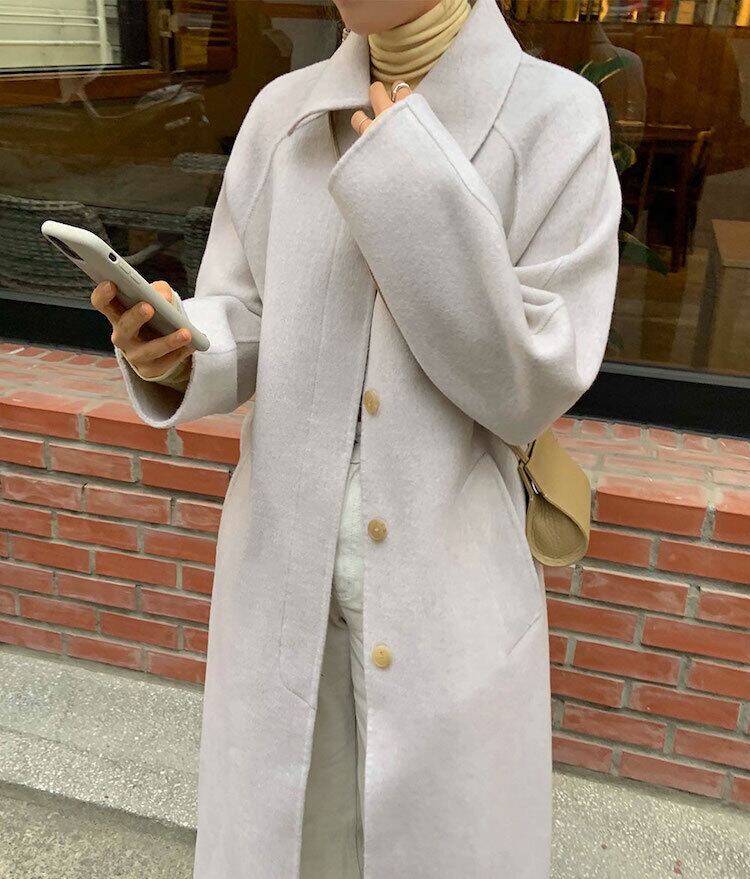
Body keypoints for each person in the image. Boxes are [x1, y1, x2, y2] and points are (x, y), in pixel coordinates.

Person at [92, 0, 622, 876]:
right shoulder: (284, 111)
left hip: (449, 587)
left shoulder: (557, 118)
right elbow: (248, 313)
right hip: (279, 569)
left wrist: (414, 184)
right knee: (288, 841)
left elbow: (530, 383)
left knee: (441, 847)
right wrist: (180, 348)